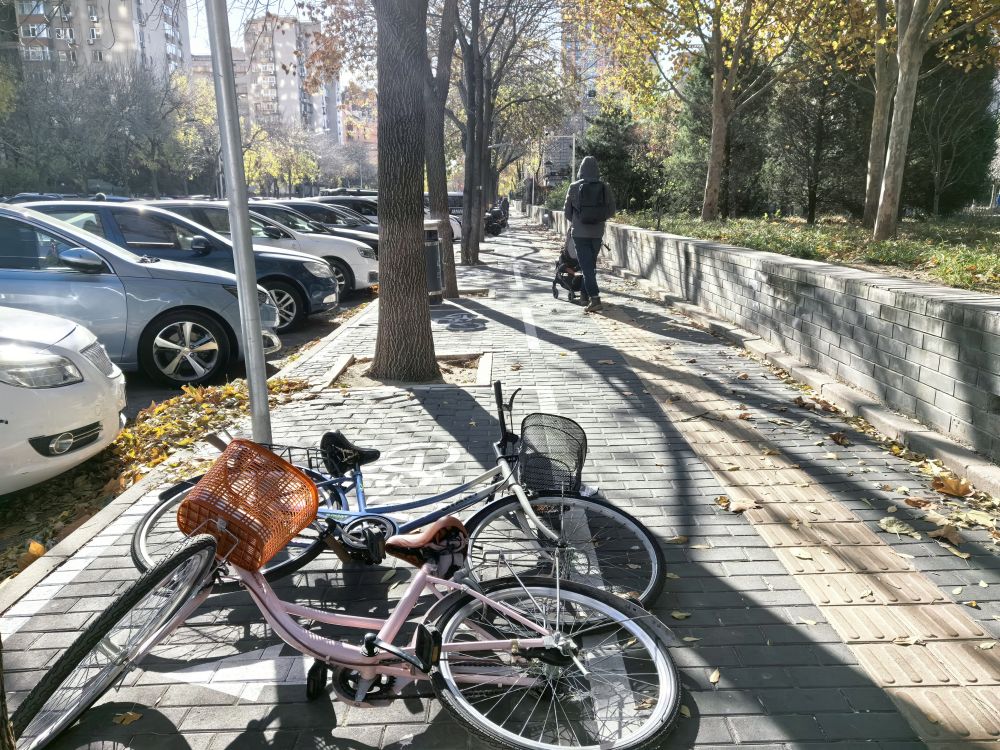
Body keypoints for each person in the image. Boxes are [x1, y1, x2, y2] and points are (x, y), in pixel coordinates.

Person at [563, 155, 616, 313]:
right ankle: (584, 296)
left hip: (579, 234)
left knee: (586, 268)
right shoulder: (605, 187)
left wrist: (577, 221)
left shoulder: (574, 186)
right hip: (597, 233)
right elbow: (611, 210)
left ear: (581, 170)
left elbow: (567, 212)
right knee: (590, 266)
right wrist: (598, 218)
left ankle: (595, 298)